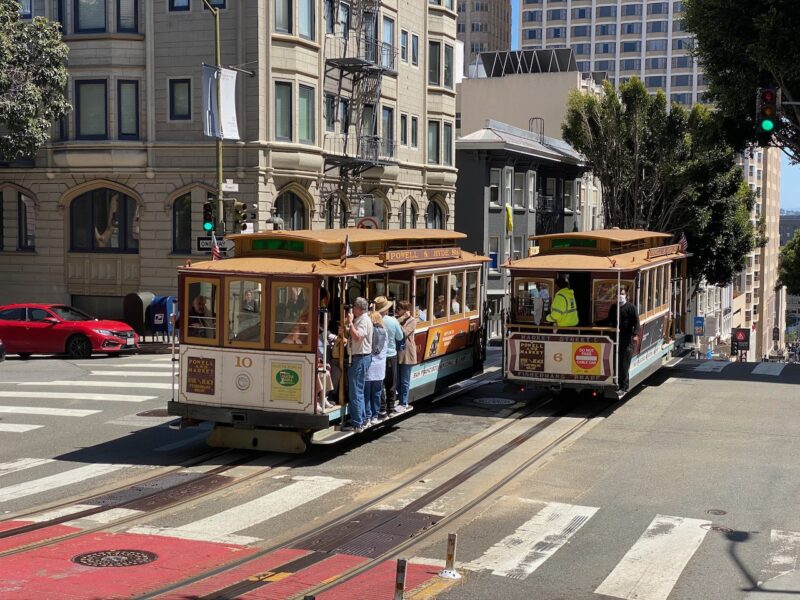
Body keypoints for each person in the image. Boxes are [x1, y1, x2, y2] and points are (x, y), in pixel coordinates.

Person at [599, 286, 640, 396]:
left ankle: (624, 386)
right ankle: (615, 382)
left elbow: (636, 322)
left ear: (626, 295)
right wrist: (596, 323)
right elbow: (609, 320)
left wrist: (635, 334)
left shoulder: (631, 307)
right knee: (615, 361)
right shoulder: (614, 307)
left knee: (624, 363)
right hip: (615, 338)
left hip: (626, 338)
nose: (620, 296)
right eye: (618, 294)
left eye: (622, 294)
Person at [342, 297, 372, 432]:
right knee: (358, 390)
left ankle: (357, 422)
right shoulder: (361, 319)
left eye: (354, 306)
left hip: (360, 358)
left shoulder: (364, 320)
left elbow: (357, 337)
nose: (352, 308)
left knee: (356, 391)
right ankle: (363, 418)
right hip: (359, 357)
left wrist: (350, 322)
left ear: (359, 308)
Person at [374, 296, 404, 418]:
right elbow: (400, 337)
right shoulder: (392, 321)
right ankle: (390, 408)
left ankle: (381, 408)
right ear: (386, 309)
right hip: (391, 355)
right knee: (391, 382)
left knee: (379, 382)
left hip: (377, 356)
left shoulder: (373, 320)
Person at [365, 309, 388, 426]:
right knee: (377, 393)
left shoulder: (370, 331)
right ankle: (375, 415)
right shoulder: (384, 332)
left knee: (367, 393)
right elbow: (385, 349)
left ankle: (368, 416)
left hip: (369, 366)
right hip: (380, 367)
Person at [395, 300, 418, 412]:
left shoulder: (412, 321)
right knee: (397, 380)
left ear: (406, 311)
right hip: (398, 353)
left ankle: (403, 402)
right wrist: (399, 320)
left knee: (404, 380)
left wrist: (400, 320)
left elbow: (403, 333)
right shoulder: (397, 319)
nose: (397, 311)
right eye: (397, 308)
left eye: (399, 309)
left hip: (407, 354)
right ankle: (399, 399)